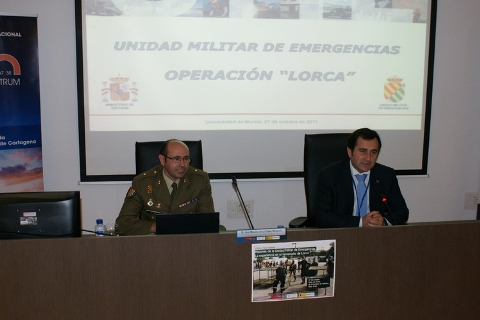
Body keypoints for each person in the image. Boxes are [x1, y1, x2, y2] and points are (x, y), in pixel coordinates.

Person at [314, 128, 409, 228]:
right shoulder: (329, 175)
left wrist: (383, 221)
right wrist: (360, 222)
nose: (368, 158)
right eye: (363, 151)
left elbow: (402, 212)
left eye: (373, 152)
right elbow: (322, 216)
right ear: (350, 152)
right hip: (342, 234)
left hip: (376, 235)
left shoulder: (386, 175)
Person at [116, 139, 215, 235]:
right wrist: (156, 227)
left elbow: (208, 221)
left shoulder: (200, 180)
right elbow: (123, 223)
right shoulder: (142, 183)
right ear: (162, 160)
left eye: (186, 159)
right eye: (176, 159)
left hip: (189, 242)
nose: (182, 164)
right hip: (154, 243)